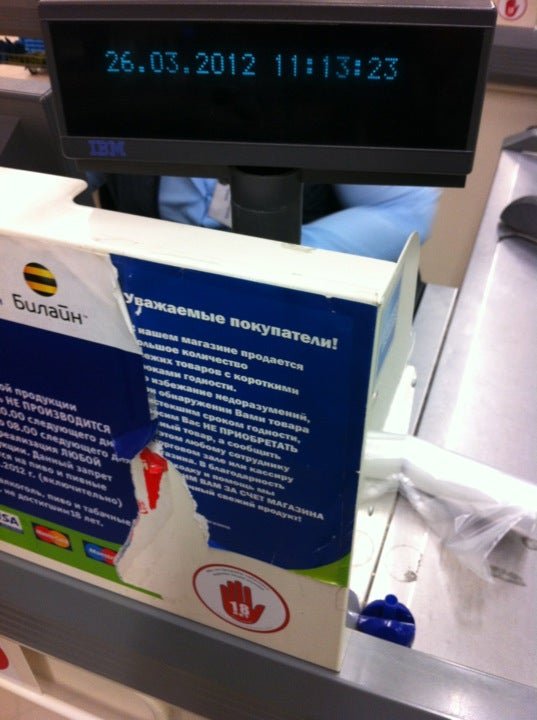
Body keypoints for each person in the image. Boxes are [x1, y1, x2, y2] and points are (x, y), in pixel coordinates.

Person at [90, 174, 439, 262]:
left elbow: (404, 212)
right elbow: (69, 165)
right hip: (153, 298)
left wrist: (261, 267)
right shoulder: (133, 55)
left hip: (313, 310)